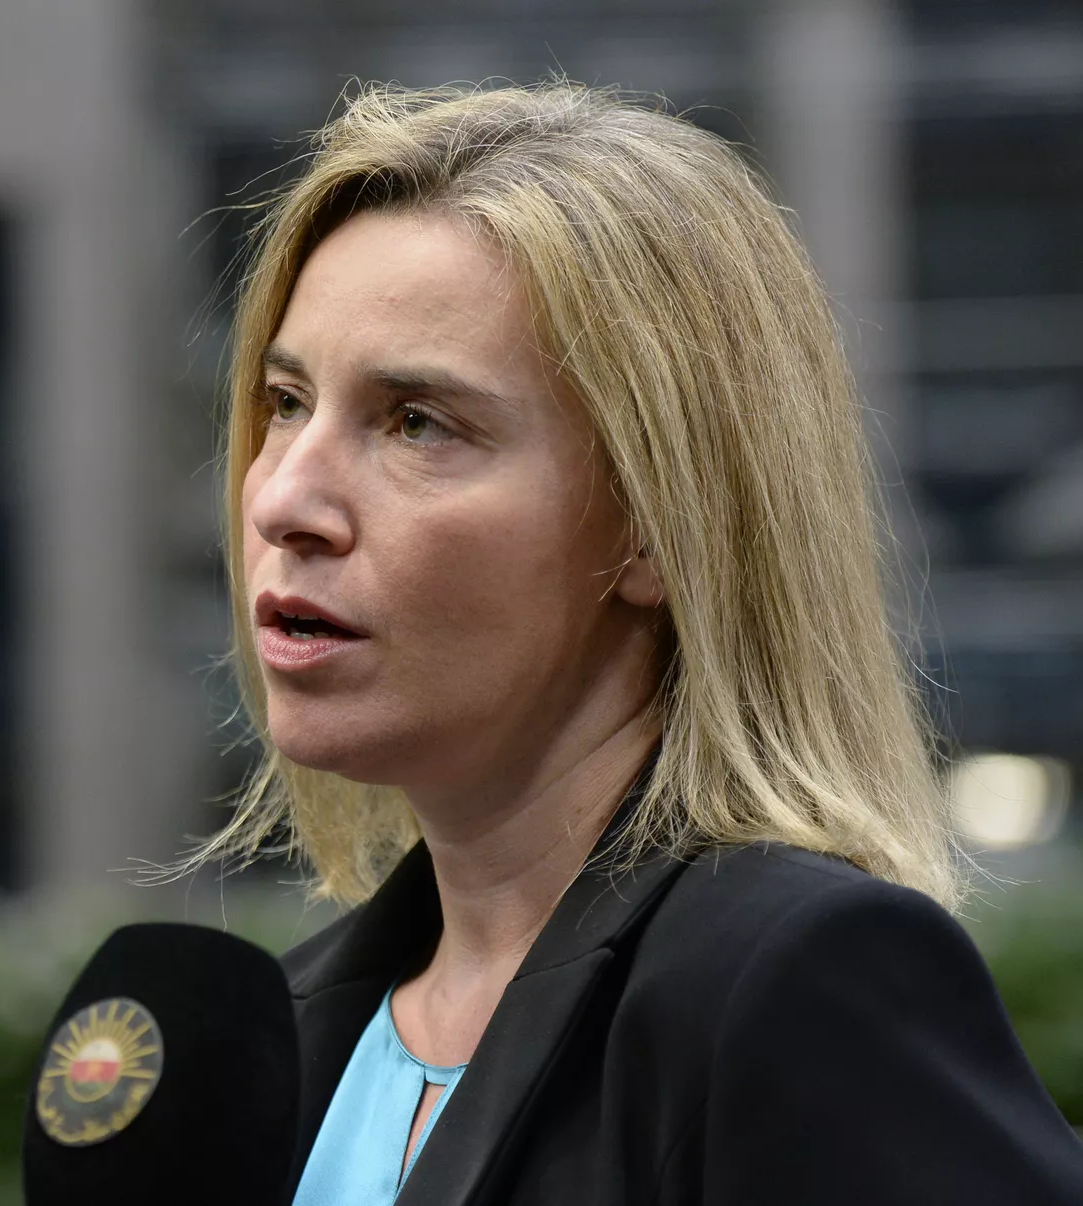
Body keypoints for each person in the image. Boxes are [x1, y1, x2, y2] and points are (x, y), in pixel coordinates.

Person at [190, 82, 1083, 1203]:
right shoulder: (272, 1043)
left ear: (660, 525)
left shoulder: (796, 986)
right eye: (285, 402)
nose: (284, 499)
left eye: (416, 423)